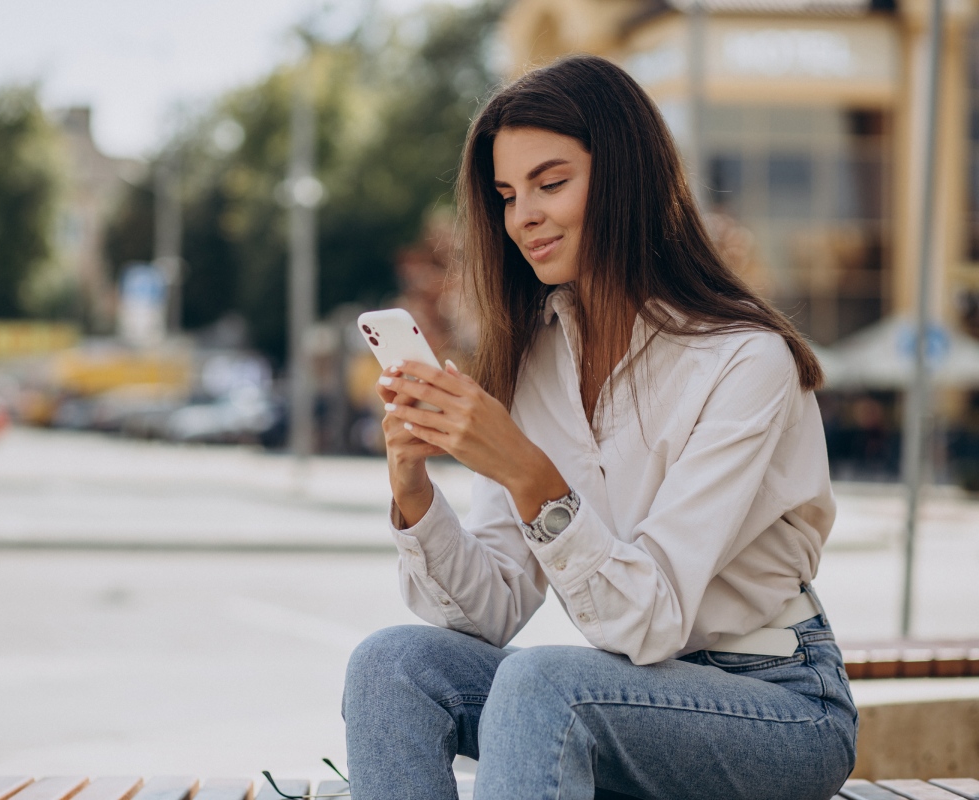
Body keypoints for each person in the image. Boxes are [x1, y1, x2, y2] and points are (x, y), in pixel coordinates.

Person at [342, 55, 857, 800]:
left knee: (543, 683)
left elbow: (651, 620)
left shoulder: (745, 361)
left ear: (625, 178)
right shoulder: (534, 360)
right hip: (620, 692)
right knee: (391, 665)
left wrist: (529, 475)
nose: (523, 216)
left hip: (779, 705)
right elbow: (489, 609)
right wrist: (412, 487)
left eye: (552, 183)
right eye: (507, 194)